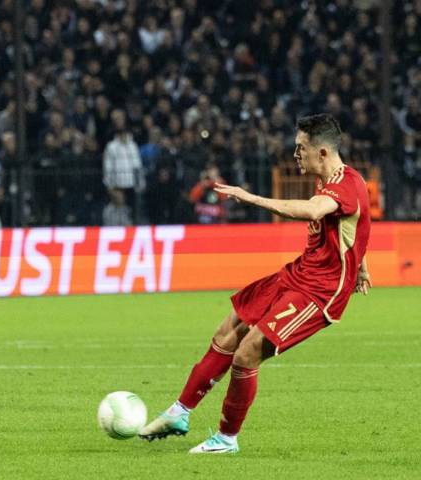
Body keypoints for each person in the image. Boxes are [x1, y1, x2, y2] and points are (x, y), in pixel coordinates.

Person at [139, 114, 372, 453]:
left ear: (322, 152)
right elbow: (359, 223)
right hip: (298, 274)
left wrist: (249, 198)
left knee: (247, 352)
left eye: (301, 148)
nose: (295, 155)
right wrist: (362, 267)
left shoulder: (344, 185)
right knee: (227, 330)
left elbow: (310, 212)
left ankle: (226, 438)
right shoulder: (332, 179)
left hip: (320, 292)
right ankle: (179, 412)